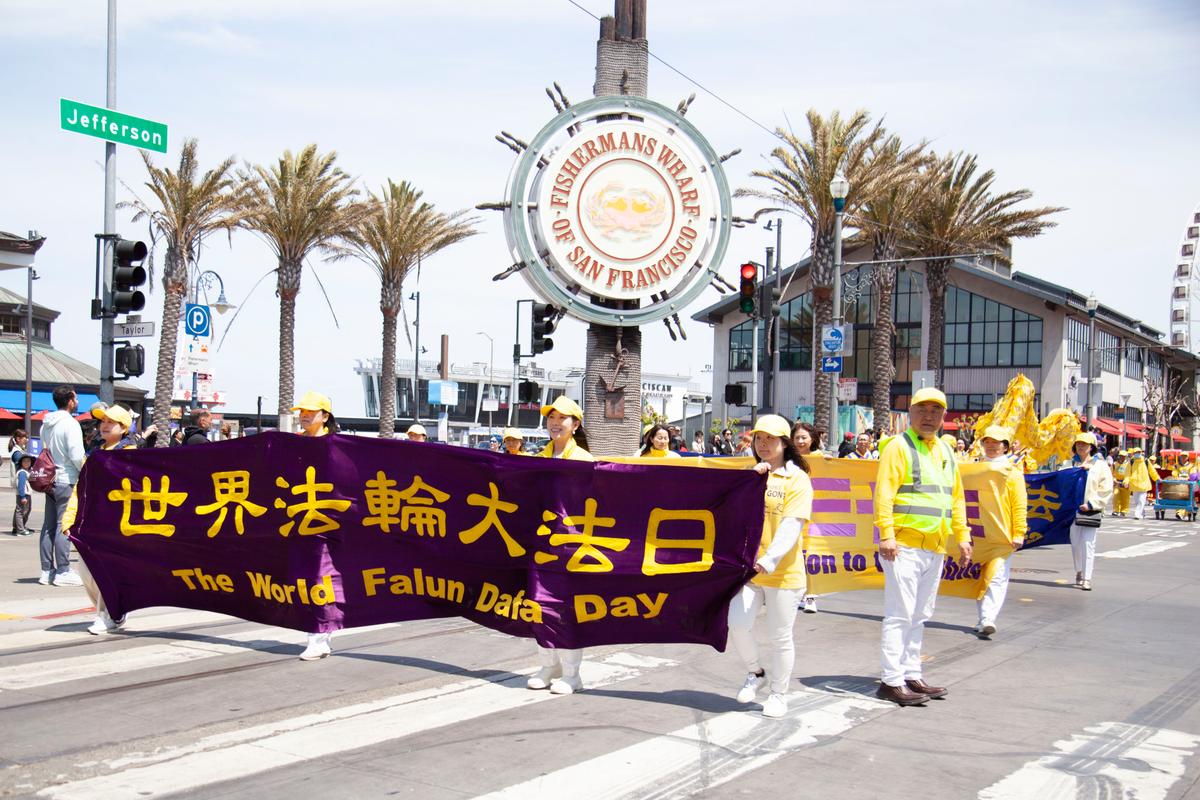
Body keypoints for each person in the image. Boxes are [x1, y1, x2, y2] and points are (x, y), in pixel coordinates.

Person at [873, 387, 972, 706]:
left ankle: (910, 672)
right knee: (900, 614)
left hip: (936, 545)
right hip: (903, 545)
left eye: (936, 411)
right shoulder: (898, 447)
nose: (929, 416)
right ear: (910, 413)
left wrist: (963, 535)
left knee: (920, 613)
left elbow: (955, 497)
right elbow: (884, 494)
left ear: (944, 416)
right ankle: (891, 681)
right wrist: (886, 534)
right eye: (922, 410)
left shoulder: (946, 450)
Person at [728, 414, 813, 718]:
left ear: (784, 443)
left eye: (770, 439)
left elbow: (792, 525)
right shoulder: (754, 474)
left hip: (784, 574)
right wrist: (752, 481)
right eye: (758, 439)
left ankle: (778, 694)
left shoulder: (798, 479)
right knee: (736, 624)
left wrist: (770, 559)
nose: (763, 445)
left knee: (781, 637)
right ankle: (756, 673)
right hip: (750, 572)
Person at [527, 395, 593, 695]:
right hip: (540, 543)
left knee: (566, 608)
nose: (555, 424)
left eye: (561, 419)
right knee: (539, 605)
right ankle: (548, 664)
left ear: (575, 424)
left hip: (571, 545)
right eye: (551, 419)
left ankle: (572, 673)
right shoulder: (536, 459)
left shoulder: (584, 461)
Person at [62, 405, 137, 634]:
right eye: (102, 421)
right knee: (85, 570)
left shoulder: (132, 454)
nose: (104, 426)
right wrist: (69, 517)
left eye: (110, 422)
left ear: (123, 428)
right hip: (93, 522)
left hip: (117, 524)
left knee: (105, 570)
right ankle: (113, 611)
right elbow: (81, 487)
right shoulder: (94, 454)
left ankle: (108, 614)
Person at [292, 391, 341, 660]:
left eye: (310, 412)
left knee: (319, 575)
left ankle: (319, 636)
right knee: (303, 576)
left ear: (325, 416)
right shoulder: (292, 443)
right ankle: (319, 631)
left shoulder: (335, 444)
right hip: (296, 519)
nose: (304, 416)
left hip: (326, 522)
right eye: (301, 412)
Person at [974, 426, 1027, 638]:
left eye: (996, 442)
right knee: (980, 576)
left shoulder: (1012, 471)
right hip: (977, 531)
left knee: (996, 576)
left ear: (1005, 446)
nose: (991, 446)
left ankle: (988, 617)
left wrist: (1019, 532)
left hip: (1002, 532)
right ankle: (982, 618)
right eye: (987, 441)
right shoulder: (974, 467)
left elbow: (1019, 503)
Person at [38, 386, 86, 587]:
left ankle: (47, 570)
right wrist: (87, 470)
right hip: (66, 478)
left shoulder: (46, 424)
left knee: (48, 525)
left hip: (49, 479)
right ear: (70, 400)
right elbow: (76, 455)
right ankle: (64, 570)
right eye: (75, 398)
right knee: (63, 524)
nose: (77, 401)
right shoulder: (71, 424)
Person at [1067, 432, 1113, 591]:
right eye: (1078, 443)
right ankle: (1078, 570)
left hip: (1089, 510)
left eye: (1084, 444)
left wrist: (1092, 504)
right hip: (1071, 510)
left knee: (1088, 544)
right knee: (1075, 543)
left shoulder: (1100, 465)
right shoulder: (1069, 464)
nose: (1081, 446)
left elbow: (1106, 488)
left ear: (1091, 447)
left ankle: (1087, 578)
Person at [791, 420, 824, 614]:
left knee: (811, 555)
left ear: (812, 439)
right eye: (797, 438)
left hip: (815, 514)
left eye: (804, 437)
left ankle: (810, 596)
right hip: (792, 512)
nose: (800, 441)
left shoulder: (822, 459)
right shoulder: (786, 459)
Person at [1127, 450, 1157, 520]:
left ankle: (1137, 514)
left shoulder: (1146, 461)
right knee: (1138, 501)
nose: (1137, 454)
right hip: (1134, 484)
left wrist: (1157, 478)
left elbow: (1152, 470)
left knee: (1141, 500)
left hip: (1144, 484)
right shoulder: (1131, 462)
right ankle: (1142, 513)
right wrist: (1126, 481)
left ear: (1141, 453)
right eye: (1136, 453)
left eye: (1138, 452)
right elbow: (1127, 473)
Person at [11, 453, 34, 536]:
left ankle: (18, 527)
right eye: (25, 461)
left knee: (26, 510)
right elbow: (21, 485)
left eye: (29, 461)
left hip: (27, 494)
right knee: (21, 511)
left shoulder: (26, 471)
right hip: (23, 495)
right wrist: (22, 496)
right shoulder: (22, 473)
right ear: (21, 463)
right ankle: (20, 529)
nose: (27, 463)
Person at [1110, 450, 1130, 517]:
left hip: (1125, 483)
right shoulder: (1114, 464)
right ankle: (1115, 510)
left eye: (1124, 456)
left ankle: (1124, 511)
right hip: (1117, 483)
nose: (1122, 458)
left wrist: (1126, 482)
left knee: (1125, 498)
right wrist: (1114, 480)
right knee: (1116, 496)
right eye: (1121, 456)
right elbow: (1111, 474)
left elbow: (1129, 474)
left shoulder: (1128, 464)